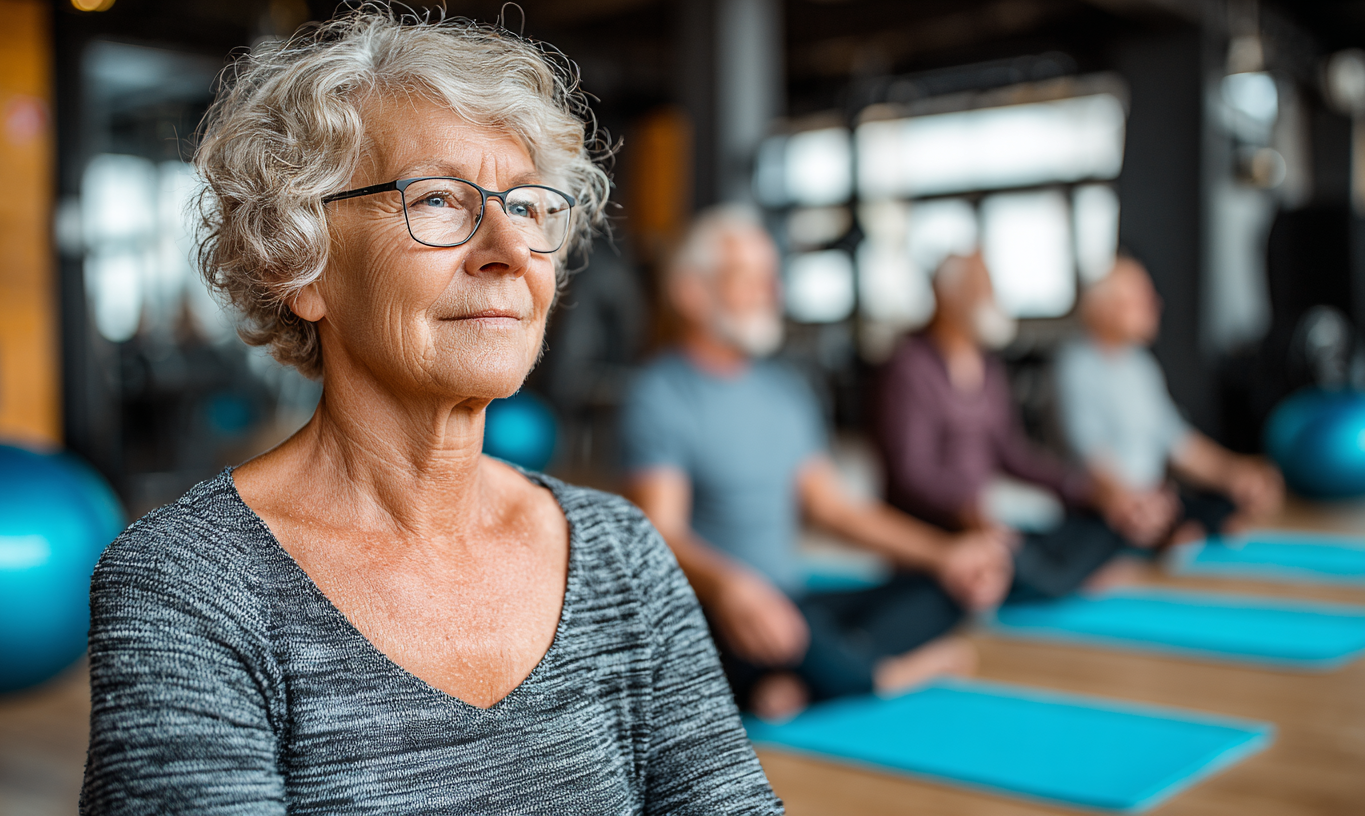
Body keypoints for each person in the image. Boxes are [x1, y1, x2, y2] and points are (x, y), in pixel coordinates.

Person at [80, 13, 781, 815]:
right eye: (440, 199)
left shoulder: (623, 557)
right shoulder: (188, 586)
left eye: (526, 207)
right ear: (297, 262)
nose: (510, 249)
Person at [623, 208, 1014, 722]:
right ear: (692, 292)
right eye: (751, 278)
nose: (772, 292)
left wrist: (945, 554)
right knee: (731, 642)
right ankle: (884, 676)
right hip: (715, 611)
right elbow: (660, 530)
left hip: (793, 603)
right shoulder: (661, 394)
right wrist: (732, 586)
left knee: (939, 592)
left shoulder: (787, 393)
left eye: (772, 277)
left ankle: (804, 678)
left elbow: (836, 510)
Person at [872, 253, 1176, 600]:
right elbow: (911, 473)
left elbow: (1012, 455)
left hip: (986, 522)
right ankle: (1067, 576)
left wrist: (1086, 490)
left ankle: (1072, 570)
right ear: (947, 297)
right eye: (981, 290)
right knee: (1033, 563)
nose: (991, 300)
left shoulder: (987, 368)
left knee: (1088, 529)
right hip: (937, 532)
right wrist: (964, 508)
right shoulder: (907, 370)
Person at [1056, 256, 1284, 540]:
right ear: (1106, 310)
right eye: (1143, 299)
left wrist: (1236, 474)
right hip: (1108, 507)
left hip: (1153, 498)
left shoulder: (1140, 366)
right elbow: (1092, 461)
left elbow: (1180, 444)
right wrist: (1133, 504)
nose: (1156, 306)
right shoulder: (1077, 369)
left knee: (1231, 508)